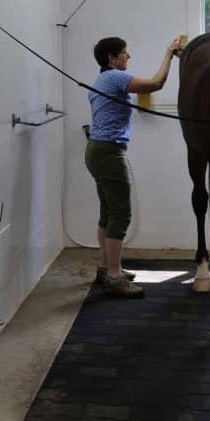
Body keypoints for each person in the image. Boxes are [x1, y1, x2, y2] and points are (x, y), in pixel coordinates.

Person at [86, 35, 185, 298]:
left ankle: (107, 268)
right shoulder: (114, 77)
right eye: (125, 53)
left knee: (108, 213)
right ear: (112, 58)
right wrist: (168, 54)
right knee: (120, 214)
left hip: (97, 150)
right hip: (108, 152)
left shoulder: (102, 79)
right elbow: (155, 84)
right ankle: (115, 277)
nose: (128, 57)